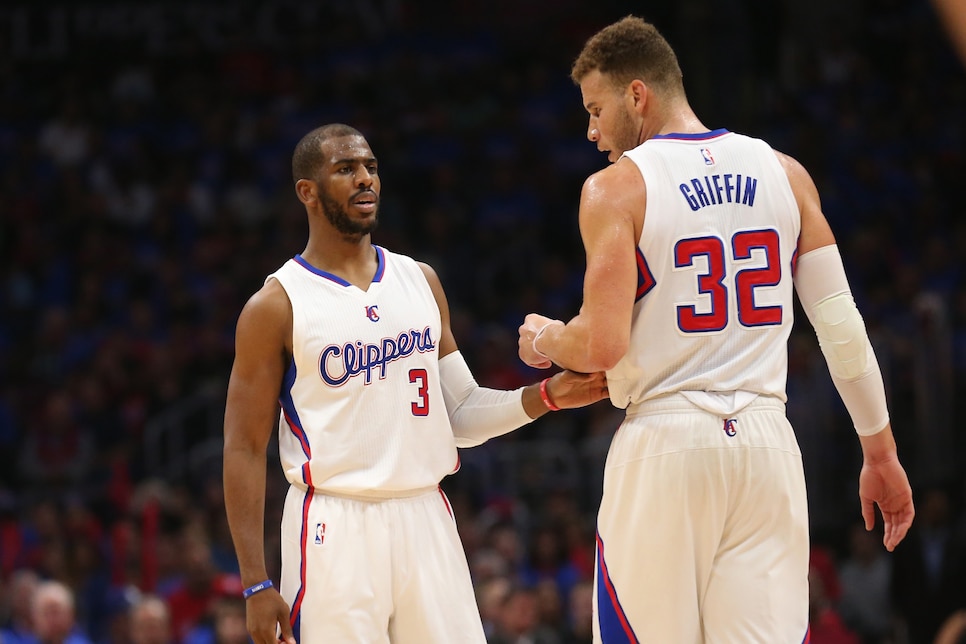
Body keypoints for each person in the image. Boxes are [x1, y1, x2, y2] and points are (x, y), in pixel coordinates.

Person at [516, 16, 915, 643]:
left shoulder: (616, 189)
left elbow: (600, 344)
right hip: (766, 447)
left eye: (596, 110)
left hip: (667, 442)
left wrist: (543, 339)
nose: (591, 132)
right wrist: (881, 451)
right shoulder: (786, 173)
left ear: (637, 95)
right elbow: (842, 331)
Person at [222, 123, 607, 644]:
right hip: (334, 525)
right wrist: (254, 582)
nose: (365, 180)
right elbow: (243, 447)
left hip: (427, 514)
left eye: (371, 168)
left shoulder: (420, 280)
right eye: (345, 169)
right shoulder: (276, 305)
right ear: (306, 192)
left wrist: (544, 397)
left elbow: (462, 414)